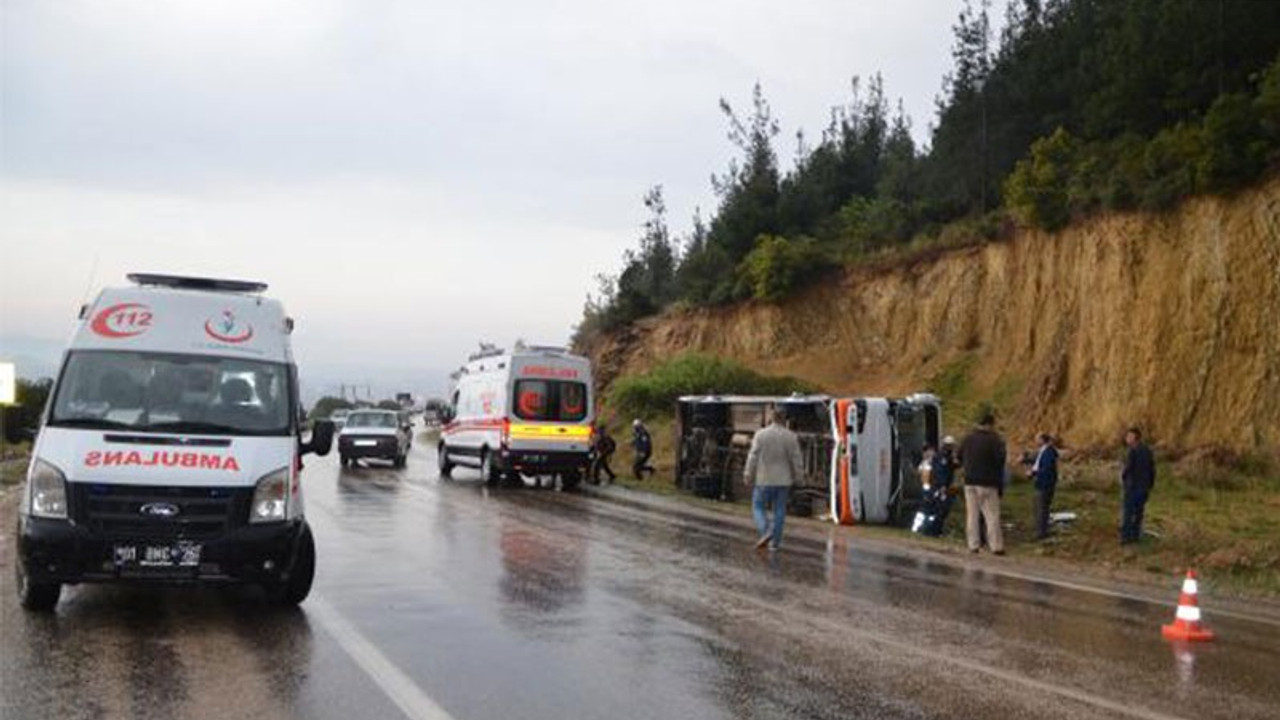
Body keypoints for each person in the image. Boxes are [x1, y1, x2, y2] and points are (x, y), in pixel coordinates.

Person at [743, 406, 803, 551]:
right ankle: (775, 543)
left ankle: (766, 530)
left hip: (764, 479)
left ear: (771, 417)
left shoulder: (760, 435)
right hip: (783, 481)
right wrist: (799, 478)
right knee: (780, 510)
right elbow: (797, 460)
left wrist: (748, 474)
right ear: (785, 419)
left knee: (757, 506)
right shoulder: (791, 437)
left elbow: (753, 457)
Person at [959, 411, 1007, 555]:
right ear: (991, 424)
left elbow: (959, 456)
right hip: (988, 482)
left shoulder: (968, 438)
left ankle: (973, 545)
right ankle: (996, 546)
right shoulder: (995, 440)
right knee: (991, 516)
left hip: (969, 481)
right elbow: (1000, 461)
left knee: (972, 514)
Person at [1120, 427, 1155, 544]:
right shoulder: (1147, 451)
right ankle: (1135, 535)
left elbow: (1128, 468)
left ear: (1135, 438)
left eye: (1129, 436)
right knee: (1139, 512)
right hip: (1144, 486)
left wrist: (1124, 479)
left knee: (1128, 512)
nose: (1127, 439)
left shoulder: (1132, 451)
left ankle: (1126, 537)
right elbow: (1152, 469)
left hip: (1132, 486)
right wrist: (1150, 484)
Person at [1030, 433, 1060, 540]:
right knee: (1041, 507)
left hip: (1045, 483)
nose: (1035, 441)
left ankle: (1041, 532)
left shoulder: (1048, 452)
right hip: (1043, 482)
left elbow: (1046, 468)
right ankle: (1041, 530)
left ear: (1043, 440)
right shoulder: (1043, 451)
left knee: (1041, 507)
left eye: (1037, 439)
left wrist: (1034, 473)